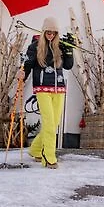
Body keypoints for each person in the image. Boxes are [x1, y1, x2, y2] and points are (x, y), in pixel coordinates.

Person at [21, 16, 74, 167]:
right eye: (48, 32)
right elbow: (28, 64)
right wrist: (23, 74)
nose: (51, 35)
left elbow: (68, 66)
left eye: (54, 33)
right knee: (49, 123)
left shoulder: (61, 46)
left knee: (54, 123)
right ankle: (49, 156)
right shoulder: (35, 46)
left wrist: (69, 51)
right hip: (42, 88)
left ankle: (36, 149)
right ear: (43, 31)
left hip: (59, 88)